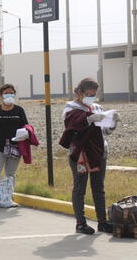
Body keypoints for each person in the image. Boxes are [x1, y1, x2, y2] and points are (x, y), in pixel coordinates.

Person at [60, 78, 121, 235]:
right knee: (80, 188)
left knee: (98, 188)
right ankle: (80, 223)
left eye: (94, 95)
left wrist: (113, 123)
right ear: (79, 92)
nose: (91, 97)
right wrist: (88, 119)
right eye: (89, 94)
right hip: (80, 154)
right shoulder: (70, 107)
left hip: (99, 152)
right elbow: (71, 126)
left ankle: (102, 221)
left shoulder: (97, 107)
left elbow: (104, 132)